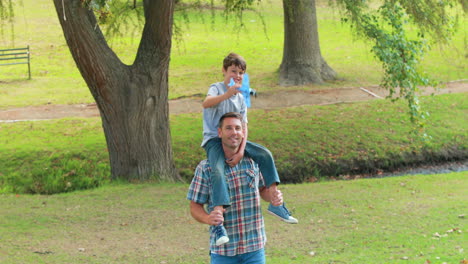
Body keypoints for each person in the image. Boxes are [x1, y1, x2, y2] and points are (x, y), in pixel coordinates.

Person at [201, 53, 298, 246]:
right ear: (224, 71)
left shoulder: (241, 97)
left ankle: (276, 203)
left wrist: (240, 151)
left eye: (240, 73)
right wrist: (227, 94)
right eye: (233, 72)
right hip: (214, 140)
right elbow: (206, 103)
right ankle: (219, 222)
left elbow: (244, 126)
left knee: (264, 154)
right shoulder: (217, 88)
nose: (237, 76)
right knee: (218, 171)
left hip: (237, 141)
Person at [188, 112, 282, 264]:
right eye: (229, 128)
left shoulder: (253, 162)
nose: (234, 132)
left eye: (238, 128)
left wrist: (273, 197)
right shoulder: (205, 168)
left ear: (243, 132)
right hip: (223, 251)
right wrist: (207, 218)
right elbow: (194, 206)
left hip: (254, 247)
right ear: (220, 132)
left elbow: (262, 191)